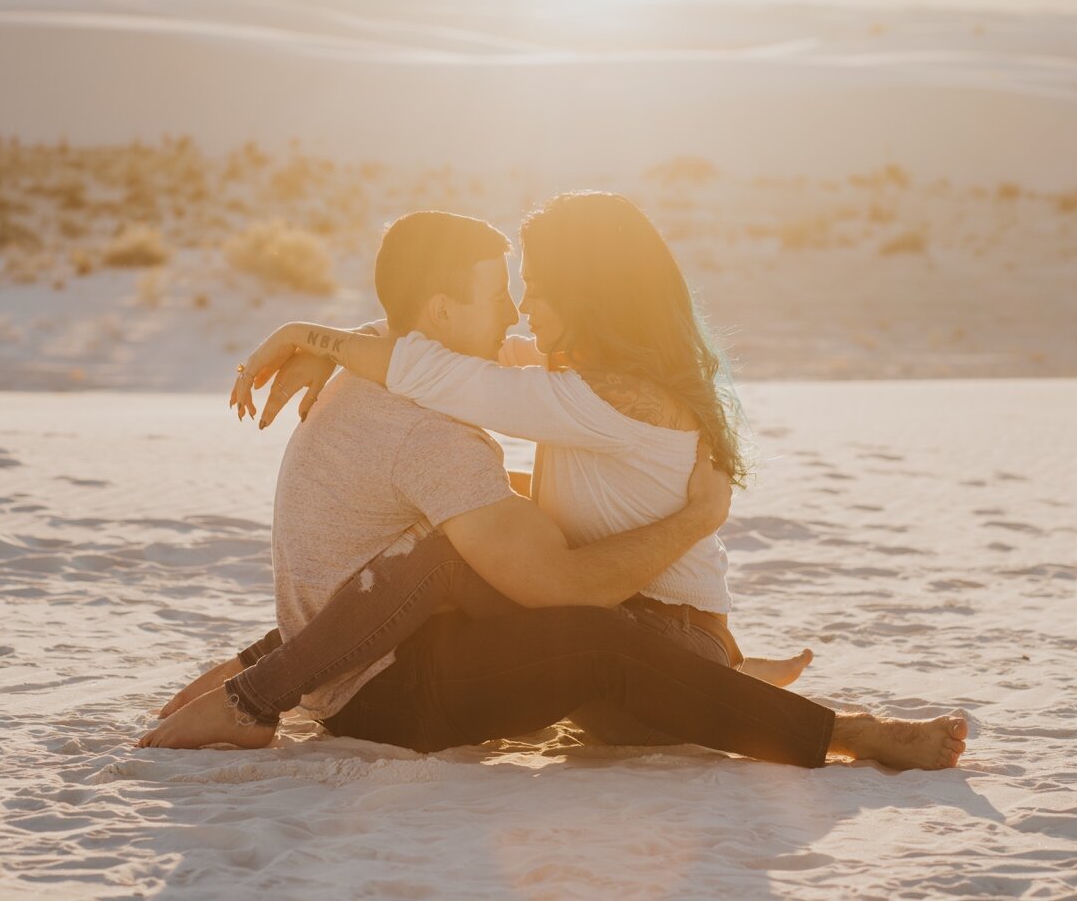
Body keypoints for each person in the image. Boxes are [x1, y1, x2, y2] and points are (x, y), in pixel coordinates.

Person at [140, 209, 968, 770]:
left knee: (461, 560)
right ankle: (251, 690)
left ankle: (837, 728)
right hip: (470, 677)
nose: (519, 309)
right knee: (475, 563)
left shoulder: (585, 393)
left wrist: (314, 336)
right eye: (505, 290)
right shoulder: (514, 397)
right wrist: (337, 340)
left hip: (644, 645)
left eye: (532, 287)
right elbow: (456, 366)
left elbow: (439, 363)